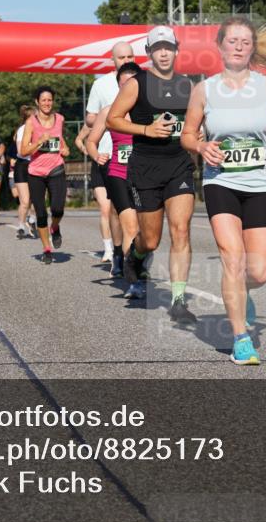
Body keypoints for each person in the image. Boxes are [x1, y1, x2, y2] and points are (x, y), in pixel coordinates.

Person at [182, 17, 266, 365]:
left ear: (252, 49)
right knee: (232, 259)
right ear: (220, 47)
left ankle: (243, 293)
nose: (237, 46)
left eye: (244, 42)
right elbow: (188, 134)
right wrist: (202, 149)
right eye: (231, 41)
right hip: (220, 181)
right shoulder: (204, 90)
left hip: (259, 182)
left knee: (259, 271)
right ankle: (240, 339)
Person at [106, 25, 198, 323]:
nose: (163, 52)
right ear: (149, 53)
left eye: (168, 47)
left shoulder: (189, 85)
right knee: (151, 240)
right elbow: (113, 120)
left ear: (176, 50)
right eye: (157, 48)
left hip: (179, 165)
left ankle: (179, 300)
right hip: (145, 167)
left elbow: (201, 121)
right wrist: (146, 129)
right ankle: (134, 255)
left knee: (181, 230)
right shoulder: (136, 84)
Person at [88, 62, 144, 297]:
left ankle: (123, 256)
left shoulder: (149, 111)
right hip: (118, 174)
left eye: (131, 84)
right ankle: (134, 281)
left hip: (145, 175)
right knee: (130, 226)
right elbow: (91, 140)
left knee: (148, 232)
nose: (127, 88)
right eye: (123, 85)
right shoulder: (108, 111)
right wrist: (96, 154)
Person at [78, 42, 136, 266]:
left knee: (138, 211)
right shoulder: (101, 85)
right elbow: (90, 118)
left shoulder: (144, 82)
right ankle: (118, 252)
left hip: (139, 157)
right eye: (122, 57)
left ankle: (133, 255)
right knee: (113, 208)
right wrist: (110, 116)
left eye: (130, 56)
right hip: (109, 153)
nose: (126, 60)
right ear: (113, 60)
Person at [19, 87, 69, 264]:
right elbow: (23, 150)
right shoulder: (31, 123)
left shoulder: (60, 119)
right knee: (41, 213)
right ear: (37, 102)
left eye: (50, 100)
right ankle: (47, 249)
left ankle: (54, 227)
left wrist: (65, 149)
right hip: (36, 173)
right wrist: (39, 142)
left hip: (56, 169)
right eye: (43, 100)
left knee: (58, 209)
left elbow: (62, 142)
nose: (47, 103)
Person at [13, 105, 37, 239]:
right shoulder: (22, 130)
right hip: (23, 165)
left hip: (37, 164)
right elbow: (20, 151)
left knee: (37, 198)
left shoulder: (40, 129)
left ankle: (32, 219)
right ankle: (21, 226)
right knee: (25, 200)